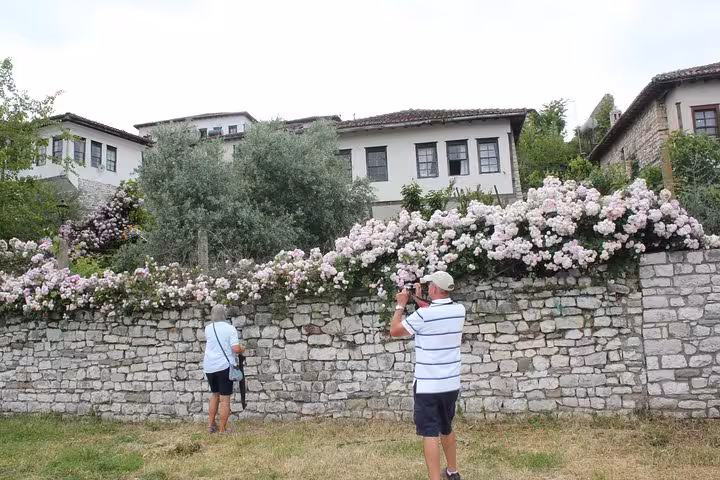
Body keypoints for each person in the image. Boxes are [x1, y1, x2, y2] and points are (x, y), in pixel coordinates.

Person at [389, 271, 466, 480]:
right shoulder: (459, 310)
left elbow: (395, 331)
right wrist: (419, 300)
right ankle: (452, 471)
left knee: (430, 432)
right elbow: (435, 313)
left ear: (433, 288)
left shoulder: (424, 315)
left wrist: (401, 305)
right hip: (450, 383)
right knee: (446, 427)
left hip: (427, 386)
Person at [203, 304, 244, 433]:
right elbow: (236, 349)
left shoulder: (208, 328)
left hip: (209, 366)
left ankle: (211, 425)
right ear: (224, 315)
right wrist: (243, 348)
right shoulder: (230, 329)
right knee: (225, 398)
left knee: (214, 395)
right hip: (224, 367)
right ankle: (222, 430)